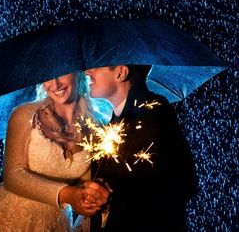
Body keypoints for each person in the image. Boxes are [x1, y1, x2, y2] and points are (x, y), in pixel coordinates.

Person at [0, 72, 110, 231]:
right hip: (10, 219)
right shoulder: (23, 115)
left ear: (78, 73)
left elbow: (84, 182)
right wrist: (67, 194)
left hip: (56, 224)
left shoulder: (98, 125)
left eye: (62, 74)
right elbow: (13, 176)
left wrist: (89, 197)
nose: (55, 84)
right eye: (48, 75)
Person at [83, 64, 198, 231]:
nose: (88, 72)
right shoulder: (114, 121)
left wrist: (111, 199)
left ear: (121, 72)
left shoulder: (152, 114)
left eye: (98, 66)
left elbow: (183, 183)